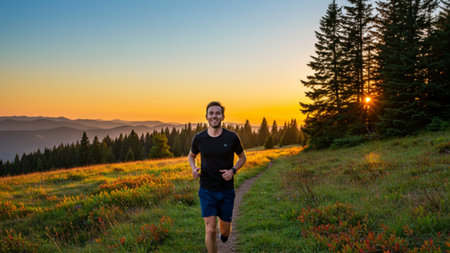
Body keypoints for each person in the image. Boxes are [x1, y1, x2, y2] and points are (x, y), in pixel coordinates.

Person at [188, 101, 247, 253]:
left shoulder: (232, 137)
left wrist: (233, 170)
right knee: (210, 229)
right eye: (211, 113)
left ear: (223, 116)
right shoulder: (199, 138)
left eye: (217, 113)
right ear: (206, 116)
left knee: (225, 231)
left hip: (226, 191)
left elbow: (242, 157)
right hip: (206, 190)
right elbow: (191, 156)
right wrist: (194, 168)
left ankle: (225, 235)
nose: (214, 116)